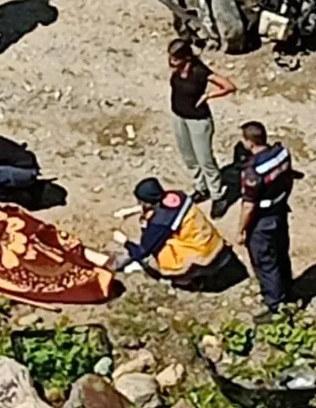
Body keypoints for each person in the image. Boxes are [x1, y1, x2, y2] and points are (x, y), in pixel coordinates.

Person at [110, 177, 227, 287]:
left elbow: (143, 251)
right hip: (212, 241)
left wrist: (124, 241)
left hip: (205, 256)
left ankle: (184, 276)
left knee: (154, 254)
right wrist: (131, 211)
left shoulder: (160, 223)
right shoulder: (177, 196)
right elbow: (163, 208)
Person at [168, 39, 235, 219]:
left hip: (198, 120)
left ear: (185, 57)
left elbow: (228, 86)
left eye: (175, 58)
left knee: (205, 159)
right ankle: (201, 187)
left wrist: (208, 96)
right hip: (179, 116)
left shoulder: (199, 71)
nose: (171, 62)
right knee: (188, 155)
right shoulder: (176, 71)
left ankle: (218, 194)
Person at [237, 120, 294, 323]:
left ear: (250, 142)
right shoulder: (282, 152)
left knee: (265, 262)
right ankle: (288, 291)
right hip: (280, 210)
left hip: (262, 220)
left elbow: (248, 205)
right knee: (280, 253)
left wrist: (241, 230)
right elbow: (289, 178)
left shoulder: (253, 171)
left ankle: (276, 307)